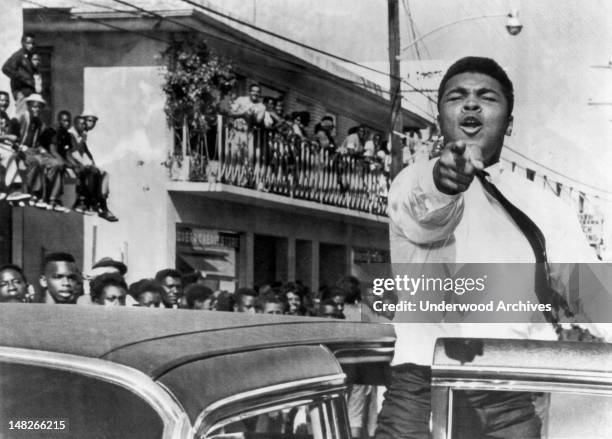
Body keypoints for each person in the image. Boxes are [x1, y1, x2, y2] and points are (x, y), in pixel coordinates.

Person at [378, 56, 607, 439]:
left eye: (486, 97)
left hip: (509, 396)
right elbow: (428, 203)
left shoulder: (546, 205)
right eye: (457, 97)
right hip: (422, 389)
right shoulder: (413, 179)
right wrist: (445, 179)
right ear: (439, 119)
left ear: (510, 123)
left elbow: (597, 297)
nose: (470, 104)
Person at [2, 34, 35, 116]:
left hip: (28, 92)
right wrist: (21, 78)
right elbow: (5, 68)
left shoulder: (30, 57)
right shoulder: (18, 55)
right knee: (23, 114)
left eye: (33, 43)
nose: (31, 46)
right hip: (20, 91)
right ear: (22, 43)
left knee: (29, 115)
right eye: (28, 43)